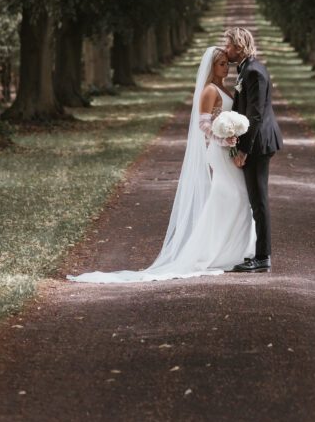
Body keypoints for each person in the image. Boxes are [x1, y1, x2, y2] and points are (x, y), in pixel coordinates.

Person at [66, 46, 255, 283]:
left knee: (236, 196)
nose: (225, 68)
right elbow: (204, 125)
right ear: (210, 66)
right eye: (220, 64)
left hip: (228, 149)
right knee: (232, 194)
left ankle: (232, 248)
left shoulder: (224, 88)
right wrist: (223, 137)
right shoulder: (209, 90)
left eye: (227, 63)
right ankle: (211, 251)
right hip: (218, 150)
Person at [223, 26, 283, 274]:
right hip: (254, 142)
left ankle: (263, 256)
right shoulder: (246, 69)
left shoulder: (254, 72)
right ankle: (259, 254)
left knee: (259, 201)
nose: (226, 50)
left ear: (239, 46)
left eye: (229, 45)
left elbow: (256, 116)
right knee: (256, 199)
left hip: (258, 144)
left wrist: (244, 150)